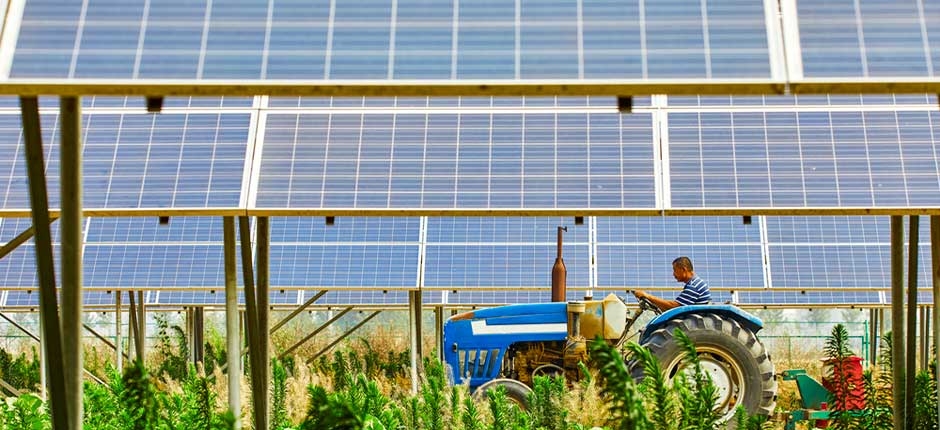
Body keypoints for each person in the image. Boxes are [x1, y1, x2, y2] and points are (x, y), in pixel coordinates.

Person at [633, 256, 710, 312]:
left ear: (684, 270)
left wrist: (647, 296)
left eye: (675, 270)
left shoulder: (694, 286)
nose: (673, 274)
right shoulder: (695, 283)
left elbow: (674, 307)